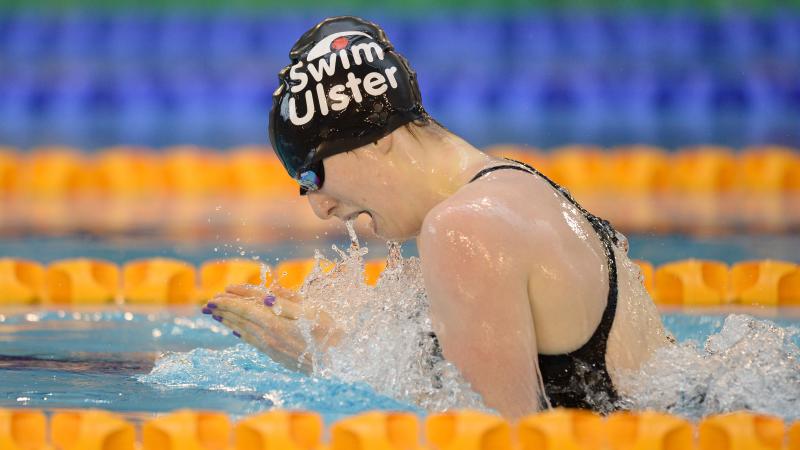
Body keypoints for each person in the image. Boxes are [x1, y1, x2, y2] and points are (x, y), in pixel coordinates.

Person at [204, 16, 668, 418]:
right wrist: (352, 341)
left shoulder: (465, 226)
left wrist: (330, 357)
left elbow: (493, 434)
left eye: (311, 173)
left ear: (372, 138)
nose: (319, 206)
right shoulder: (510, 186)